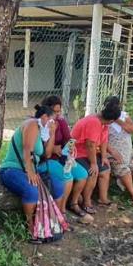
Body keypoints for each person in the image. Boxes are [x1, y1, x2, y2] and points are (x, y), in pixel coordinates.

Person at [0, 105, 66, 238]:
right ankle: (30, 225)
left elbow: (46, 154)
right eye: (52, 120)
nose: (52, 124)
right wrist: (30, 172)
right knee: (32, 190)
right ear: (44, 117)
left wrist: (52, 134)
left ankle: (53, 220)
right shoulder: (31, 124)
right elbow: (27, 148)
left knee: (58, 186)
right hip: (12, 169)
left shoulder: (42, 130)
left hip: (30, 169)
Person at [40, 96, 93, 224]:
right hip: (46, 160)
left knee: (82, 174)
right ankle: (62, 210)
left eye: (59, 111)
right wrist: (52, 149)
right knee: (67, 177)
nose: (57, 115)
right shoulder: (41, 123)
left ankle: (73, 203)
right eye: (55, 111)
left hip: (61, 157)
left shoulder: (61, 121)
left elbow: (68, 140)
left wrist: (68, 149)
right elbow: (37, 148)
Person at [71, 101, 121, 214]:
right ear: (112, 120)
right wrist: (93, 163)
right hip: (77, 153)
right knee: (93, 171)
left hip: (87, 153)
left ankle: (103, 198)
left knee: (105, 169)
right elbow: (90, 145)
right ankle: (86, 202)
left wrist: (103, 157)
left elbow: (104, 140)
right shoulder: (94, 122)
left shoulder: (103, 123)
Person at [103, 96, 133, 210]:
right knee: (124, 170)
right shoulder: (105, 119)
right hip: (114, 155)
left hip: (128, 153)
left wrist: (117, 119)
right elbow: (101, 139)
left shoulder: (124, 116)